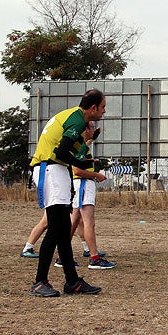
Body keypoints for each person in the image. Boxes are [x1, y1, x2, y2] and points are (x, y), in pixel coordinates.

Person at [28, 89, 107, 297]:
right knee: (56, 228)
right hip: (51, 170)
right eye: (103, 107)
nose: (104, 111)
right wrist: (81, 163)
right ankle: (39, 282)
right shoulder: (78, 121)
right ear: (93, 108)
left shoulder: (73, 117)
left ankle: (72, 281)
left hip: (55, 169)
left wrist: (86, 146)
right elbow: (62, 152)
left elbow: (66, 149)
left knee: (63, 229)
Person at [70, 122, 114, 269]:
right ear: (84, 130)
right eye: (91, 127)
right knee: (89, 222)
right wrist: (96, 175)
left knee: (74, 222)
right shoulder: (80, 146)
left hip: (81, 185)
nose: (94, 129)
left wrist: (92, 138)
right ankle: (94, 258)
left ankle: (62, 256)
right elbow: (76, 170)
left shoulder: (82, 144)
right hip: (83, 183)